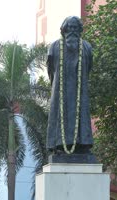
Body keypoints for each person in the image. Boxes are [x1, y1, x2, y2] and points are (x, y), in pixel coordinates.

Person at [46, 16, 93, 155]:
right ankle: (59, 145)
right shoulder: (54, 47)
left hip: (80, 92)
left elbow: (89, 67)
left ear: (80, 30)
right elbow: (51, 72)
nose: (72, 31)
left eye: (75, 28)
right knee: (60, 115)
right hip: (61, 92)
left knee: (81, 114)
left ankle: (82, 145)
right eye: (70, 28)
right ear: (64, 30)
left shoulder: (86, 47)